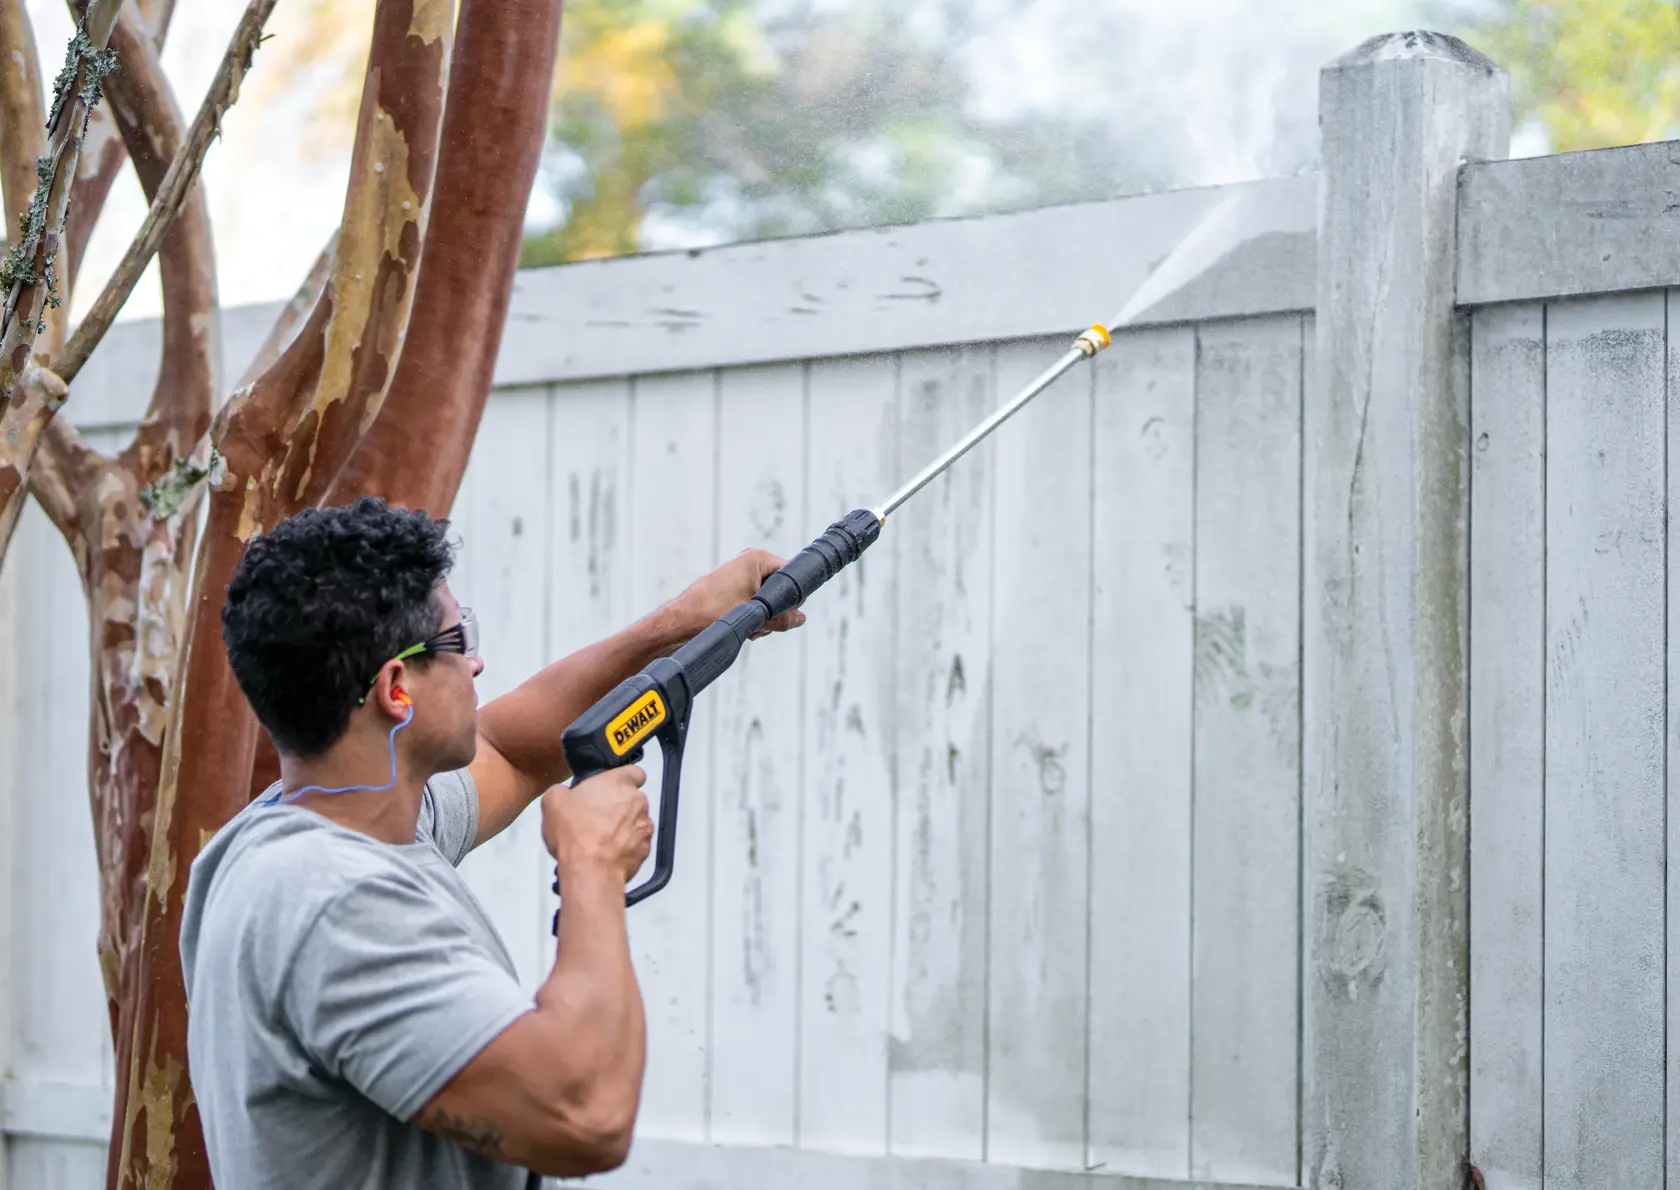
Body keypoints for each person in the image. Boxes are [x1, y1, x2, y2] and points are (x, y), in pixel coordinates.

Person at [178, 495, 805, 1188]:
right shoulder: (334, 905)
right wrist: (593, 864)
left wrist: (683, 622)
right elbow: (585, 1115)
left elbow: (511, 749)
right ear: (396, 689)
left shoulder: (320, 826)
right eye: (459, 640)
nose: (475, 664)